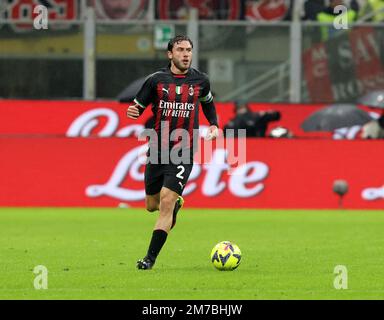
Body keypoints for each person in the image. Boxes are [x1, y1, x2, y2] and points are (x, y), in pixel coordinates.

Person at [126, 35, 219, 270]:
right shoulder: (155, 80)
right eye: (180, 50)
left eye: (189, 50)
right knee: (151, 204)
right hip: (157, 146)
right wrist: (134, 111)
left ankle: (149, 258)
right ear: (170, 54)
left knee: (166, 201)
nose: (186, 54)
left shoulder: (201, 80)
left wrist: (214, 124)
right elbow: (139, 105)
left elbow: (207, 102)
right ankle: (174, 208)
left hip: (184, 148)